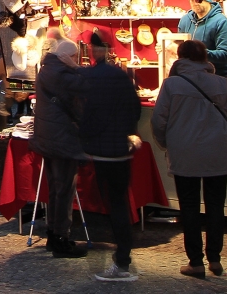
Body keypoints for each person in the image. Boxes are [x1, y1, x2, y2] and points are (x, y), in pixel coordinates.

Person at [151, 39, 227, 278]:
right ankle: (215, 259)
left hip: (185, 152)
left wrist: (168, 142)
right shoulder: (220, 82)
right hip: (218, 152)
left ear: (180, 57)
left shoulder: (171, 84)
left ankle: (196, 262)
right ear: (204, 58)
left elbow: (158, 120)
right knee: (216, 206)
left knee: (189, 206)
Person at [80, 30, 142, 282]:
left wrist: (87, 137)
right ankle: (123, 256)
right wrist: (127, 132)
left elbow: (87, 114)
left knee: (113, 204)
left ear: (94, 50)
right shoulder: (121, 76)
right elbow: (135, 109)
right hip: (121, 149)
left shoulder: (90, 77)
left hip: (102, 150)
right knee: (120, 203)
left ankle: (122, 262)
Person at [31, 38, 88, 258]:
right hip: (62, 137)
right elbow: (89, 86)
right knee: (64, 188)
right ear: (70, 57)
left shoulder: (46, 69)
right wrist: (77, 68)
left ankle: (53, 235)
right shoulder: (64, 74)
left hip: (48, 136)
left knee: (56, 187)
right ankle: (61, 238)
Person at [177, 0, 227, 80]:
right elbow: (178, 46)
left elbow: (225, 55)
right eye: (191, 0)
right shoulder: (185, 20)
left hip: (216, 77)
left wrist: (198, 52)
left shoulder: (221, 21)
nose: (195, 3)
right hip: (190, 77)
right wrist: (166, 49)